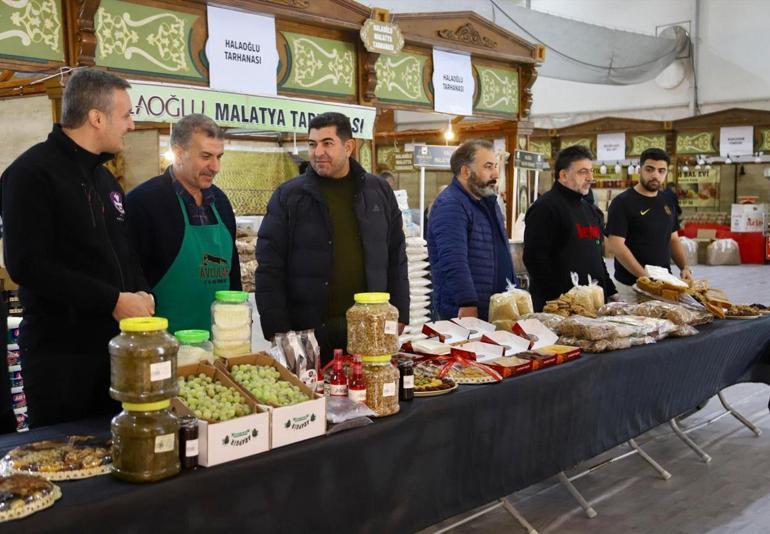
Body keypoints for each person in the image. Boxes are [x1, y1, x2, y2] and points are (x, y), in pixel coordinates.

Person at [0, 69, 153, 427]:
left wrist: (142, 290)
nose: (132, 125)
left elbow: (125, 251)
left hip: (117, 354)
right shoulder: (30, 174)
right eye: (127, 115)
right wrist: (113, 300)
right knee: (69, 461)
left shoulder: (105, 179)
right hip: (62, 360)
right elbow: (27, 264)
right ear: (96, 118)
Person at [255, 112, 408, 363]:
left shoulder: (378, 191)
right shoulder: (289, 196)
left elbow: (396, 255)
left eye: (327, 143)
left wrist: (400, 313)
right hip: (309, 330)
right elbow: (269, 267)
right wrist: (277, 330)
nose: (317, 152)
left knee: (370, 394)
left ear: (348, 147)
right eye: (312, 144)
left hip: (369, 325)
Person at [126, 114, 241, 333]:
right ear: (179, 153)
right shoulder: (143, 202)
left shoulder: (221, 202)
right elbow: (131, 276)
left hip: (219, 340)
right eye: (206, 156)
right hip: (163, 343)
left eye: (219, 156)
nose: (215, 167)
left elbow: (233, 273)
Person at [427, 140, 514, 320]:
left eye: (495, 166)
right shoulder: (451, 204)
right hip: (465, 312)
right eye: (488, 167)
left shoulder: (487, 202)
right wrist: (467, 303)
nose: (496, 173)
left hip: (493, 308)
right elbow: (453, 260)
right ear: (466, 171)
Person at [523, 145, 616, 311]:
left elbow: (596, 258)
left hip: (592, 305)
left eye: (591, 171)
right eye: (582, 172)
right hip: (559, 308)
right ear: (563, 175)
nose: (590, 177)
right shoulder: (545, 208)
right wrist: (559, 301)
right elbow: (535, 260)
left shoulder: (590, 210)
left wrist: (611, 291)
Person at [606, 148, 691, 302]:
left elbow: (673, 239)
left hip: (664, 284)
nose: (655, 175)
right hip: (631, 288)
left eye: (661, 171)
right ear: (640, 170)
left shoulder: (667, 202)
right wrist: (645, 278)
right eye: (650, 169)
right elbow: (616, 246)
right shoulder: (622, 203)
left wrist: (684, 267)